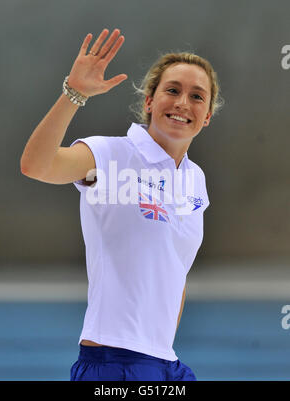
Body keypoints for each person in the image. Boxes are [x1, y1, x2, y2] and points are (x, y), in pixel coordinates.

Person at [20, 28, 223, 381]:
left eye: (196, 96)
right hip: (113, 364)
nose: (182, 103)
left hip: (166, 364)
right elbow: (36, 165)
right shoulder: (110, 155)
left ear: (206, 116)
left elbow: (176, 270)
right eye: (172, 90)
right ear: (149, 101)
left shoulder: (196, 180)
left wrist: (161, 349)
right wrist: (75, 94)